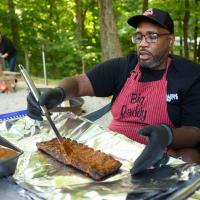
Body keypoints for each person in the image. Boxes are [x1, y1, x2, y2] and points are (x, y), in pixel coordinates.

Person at [27, 8, 200, 175]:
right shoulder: (123, 67)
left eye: (152, 37)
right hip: (111, 151)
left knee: (190, 157)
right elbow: (78, 83)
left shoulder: (189, 75)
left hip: (158, 154)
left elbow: (194, 132)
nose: (143, 43)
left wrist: (166, 134)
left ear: (170, 40)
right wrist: (59, 92)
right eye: (139, 36)